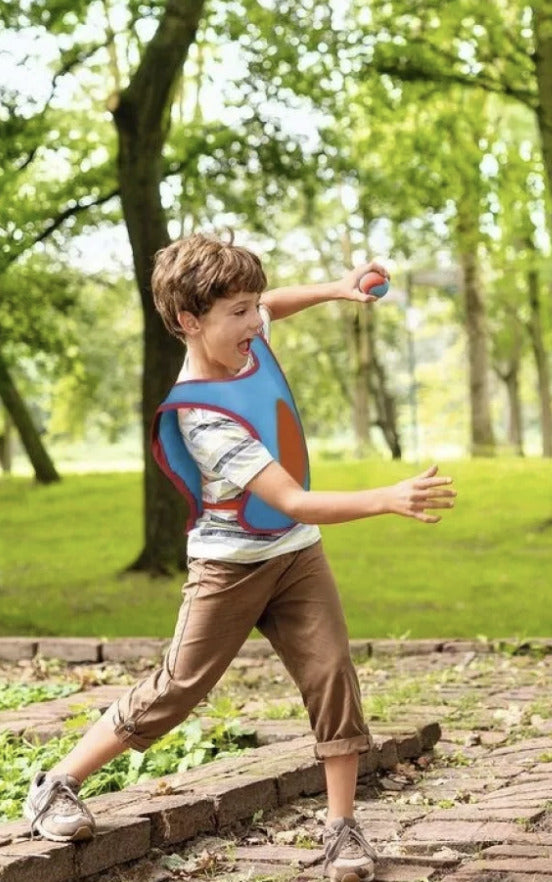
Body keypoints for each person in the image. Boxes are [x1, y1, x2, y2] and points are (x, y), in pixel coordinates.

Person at [24, 232, 457, 882]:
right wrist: (387, 498)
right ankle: (55, 782)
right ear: (189, 323)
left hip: (295, 558)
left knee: (333, 675)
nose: (257, 321)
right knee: (178, 688)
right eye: (240, 313)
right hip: (230, 567)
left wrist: (338, 288)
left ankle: (342, 832)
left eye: (256, 307)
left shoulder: (247, 339)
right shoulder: (203, 416)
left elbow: (276, 302)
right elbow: (290, 499)